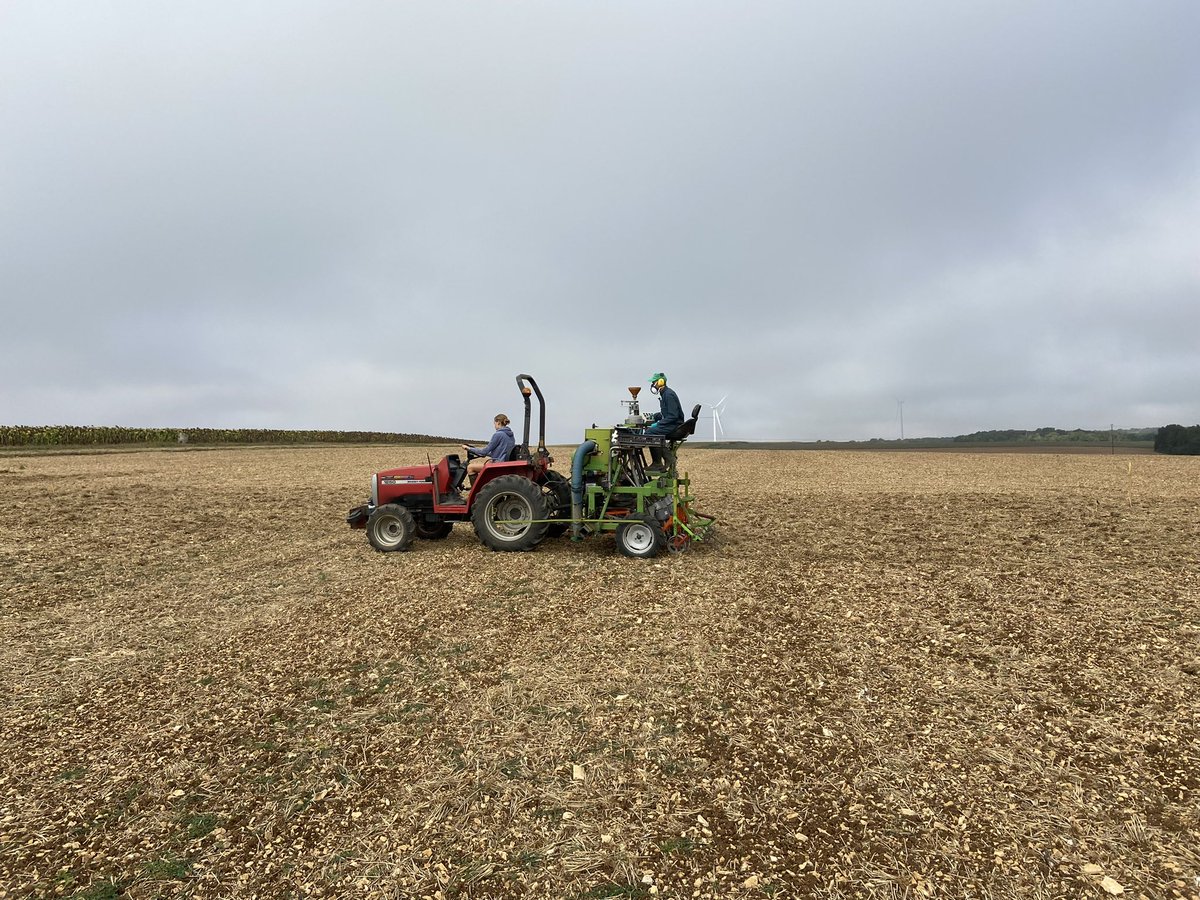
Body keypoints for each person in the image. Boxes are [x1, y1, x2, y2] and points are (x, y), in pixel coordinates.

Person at [462, 414, 516, 488]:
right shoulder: (510, 435)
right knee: (487, 463)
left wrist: (468, 448)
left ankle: (476, 491)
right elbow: (500, 451)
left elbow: (483, 452)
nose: (494, 426)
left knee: (470, 467)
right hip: (504, 463)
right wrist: (482, 453)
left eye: (494, 424)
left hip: (498, 464)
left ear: (498, 422)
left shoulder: (498, 434)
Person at [644, 372, 684, 467]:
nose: (652, 385)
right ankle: (660, 461)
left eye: (653, 382)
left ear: (660, 382)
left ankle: (661, 462)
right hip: (671, 423)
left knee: (650, 433)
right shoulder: (665, 393)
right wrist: (654, 416)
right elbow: (666, 413)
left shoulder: (668, 395)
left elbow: (673, 416)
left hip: (674, 425)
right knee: (651, 431)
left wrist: (658, 424)